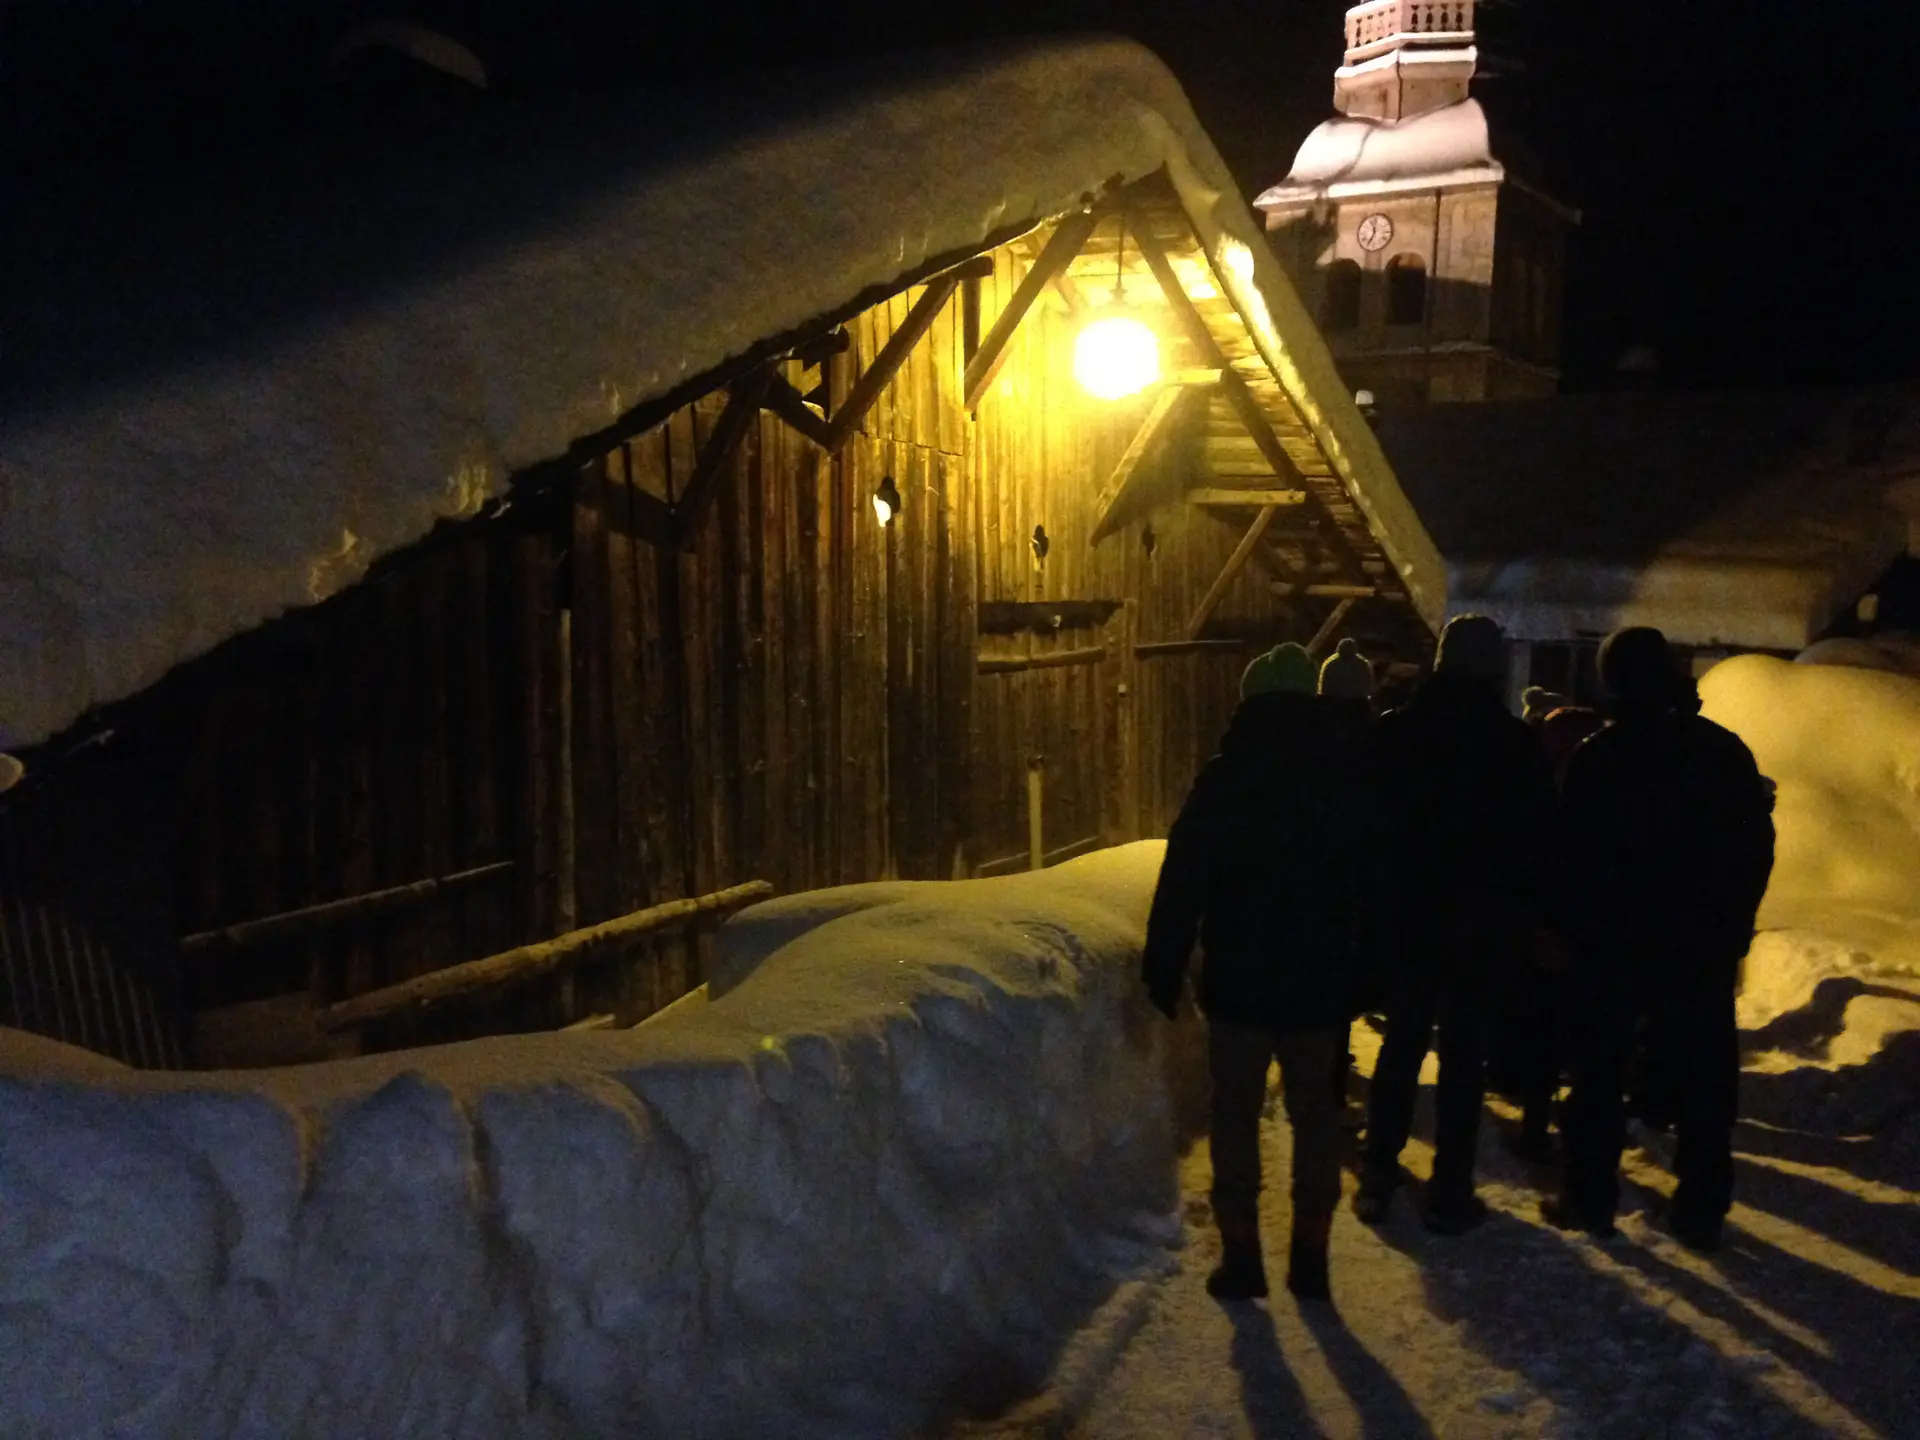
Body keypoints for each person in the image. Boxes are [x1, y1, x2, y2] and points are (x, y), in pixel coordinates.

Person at [1141, 642, 1367, 1302]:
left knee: (1235, 1114)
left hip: (1240, 979)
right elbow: (1374, 879)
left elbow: (1185, 874)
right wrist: (1370, 966)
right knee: (1316, 1116)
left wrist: (1165, 962)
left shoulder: (1227, 776)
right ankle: (1311, 1257)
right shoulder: (1342, 778)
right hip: (1317, 982)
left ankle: (1242, 1258)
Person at [1545, 628, 1775, 1250]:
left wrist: (1570, 929)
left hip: (1613, 945)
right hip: (1697, 944)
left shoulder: (1598, 758)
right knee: (1704, 1078)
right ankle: (1701, 1209)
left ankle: (1589, 1198)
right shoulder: (1720, 753)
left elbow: (1568, 857)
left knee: (1597, 1076)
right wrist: (1733, 924)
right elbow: (1754, 847)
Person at [1354, 615, 1559, 1234]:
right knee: (1466, 1059)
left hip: (1411, 918)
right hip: (1485, 925)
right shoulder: (1515, 745)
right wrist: (1529, 918)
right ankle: (1449, 1188)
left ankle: (1379, 1171)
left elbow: (1369, 831)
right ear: (1493, 668)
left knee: (1402, 1046)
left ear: (1440, 662)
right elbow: (1536, 842)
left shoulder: (1396, 735)